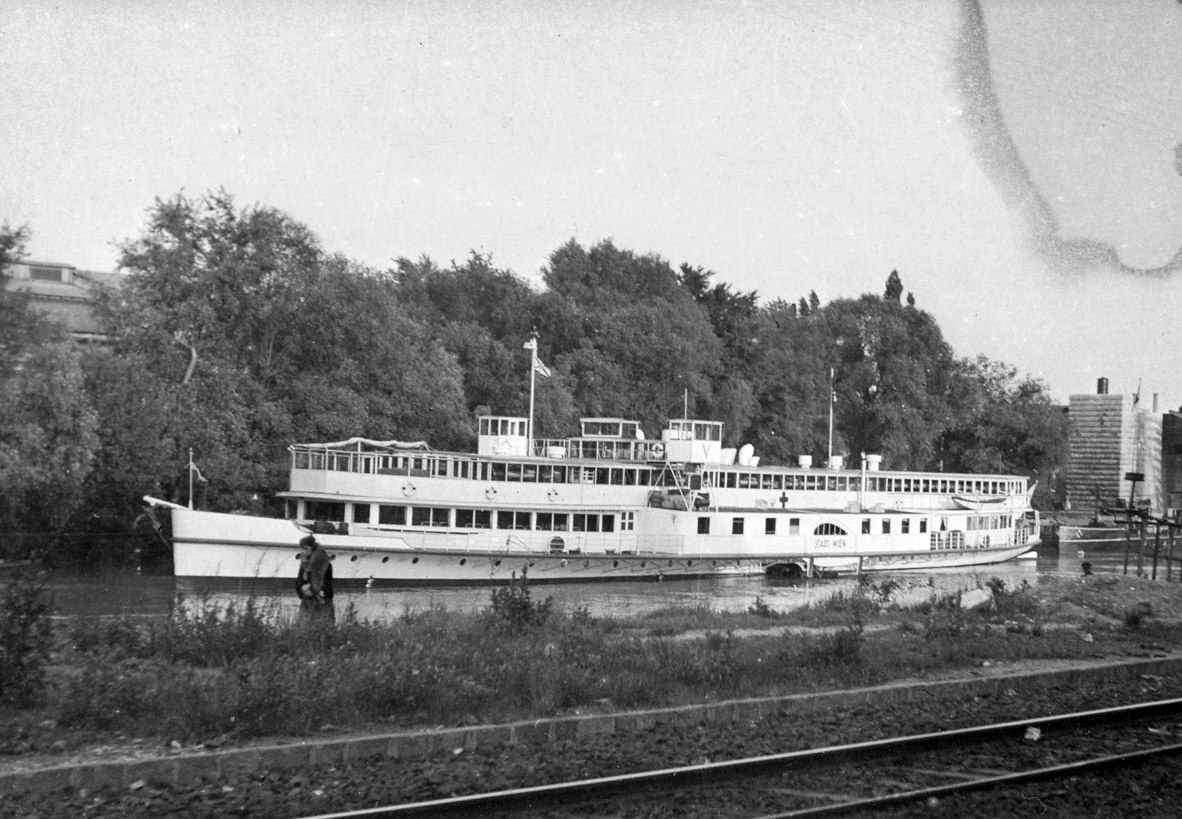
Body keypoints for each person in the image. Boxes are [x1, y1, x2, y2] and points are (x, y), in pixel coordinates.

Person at [299, 534, 335, 621]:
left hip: (322, 599)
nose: (303, 551)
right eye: (303, 549)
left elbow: (327, 584)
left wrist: (310, 589)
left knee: (323, 625)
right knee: (304, 626)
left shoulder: (326, 564)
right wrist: (303, 589)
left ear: (312, 548)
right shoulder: (304, 562)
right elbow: (299, 580)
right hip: (307, 598)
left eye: (306, 548)